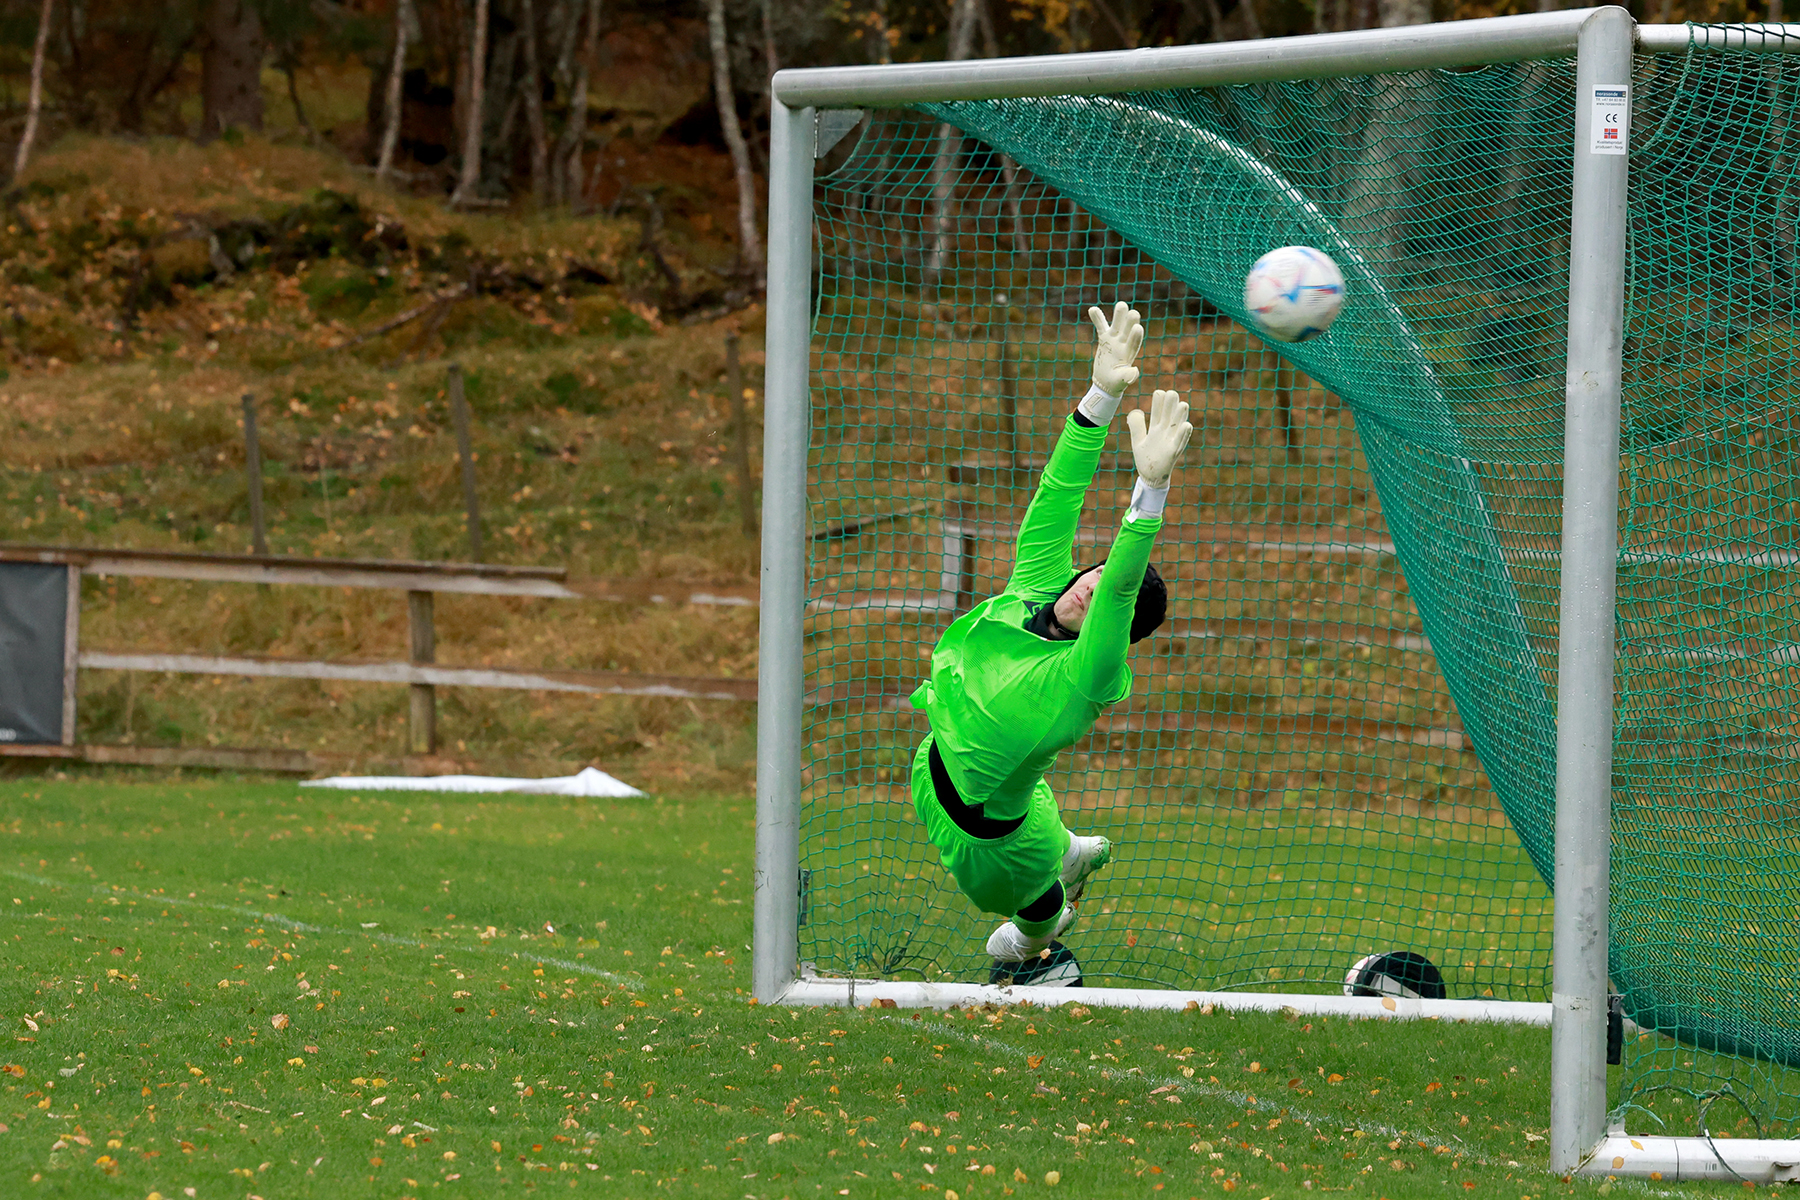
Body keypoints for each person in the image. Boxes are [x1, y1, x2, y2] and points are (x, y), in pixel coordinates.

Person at [908, 301, 1192, 975]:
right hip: (936, 761)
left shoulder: (1086, 676)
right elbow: (1057, 492)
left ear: (1116, 636)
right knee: (1031, 796)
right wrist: (1102, 394)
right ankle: (1069, 844)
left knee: (1039, 907)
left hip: (992, 841)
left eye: (1104, 596)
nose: (1091, 586)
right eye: (1092, 572)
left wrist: (1150, 489)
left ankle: (1042, 925)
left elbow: (1123, 584)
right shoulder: (1038, 586)